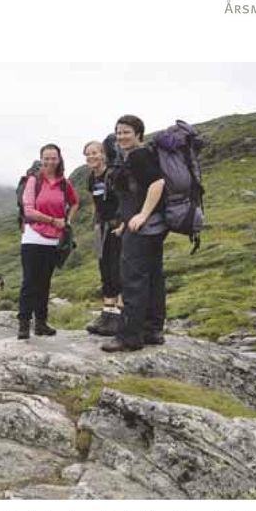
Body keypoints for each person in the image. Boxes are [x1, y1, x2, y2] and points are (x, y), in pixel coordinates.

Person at [102, 115, 167, 353]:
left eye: (126, 132)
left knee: (132, 279)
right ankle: (152, 330)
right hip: (152, 228)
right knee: (153, 277)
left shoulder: (139, 155)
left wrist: (142, 215)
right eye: (118, 132)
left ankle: (129, 337)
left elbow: (157, 184)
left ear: (138, 133)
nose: (121, 137)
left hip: (142, 228)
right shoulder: (140, 155)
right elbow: (135, 192)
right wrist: (127, 221)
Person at [16, 145, 79, 340]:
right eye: (46, 158)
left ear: (59, 159)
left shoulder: (63, 183)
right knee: (29, 282)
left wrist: (67, 220)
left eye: (53, 158)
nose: (50, 161)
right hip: (33, 237)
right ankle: (24, 324)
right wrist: (53, 220)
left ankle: (41, 323)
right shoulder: (33, 181)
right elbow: (29, 211)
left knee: (44, 283)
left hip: (54, 240)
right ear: (41, 159)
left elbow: (75, 202)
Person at [82, 140, 123, 336]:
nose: (91, 157)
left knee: (117, 269)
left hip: (116, 227)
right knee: (104, 269)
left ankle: (120, 316)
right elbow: (94, 201)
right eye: (88, 154)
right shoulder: (91, 177)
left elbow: (126, 198)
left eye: (95, 153)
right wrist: (95, 221)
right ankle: (106, 314)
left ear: (104, 154)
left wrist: (123, 223)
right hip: (100, 229)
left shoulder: (113, 175)